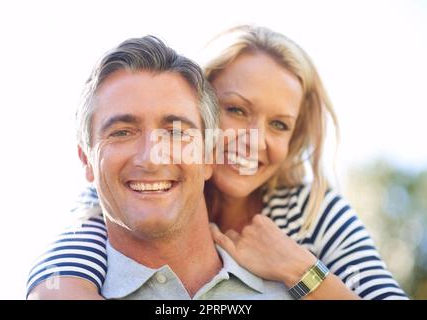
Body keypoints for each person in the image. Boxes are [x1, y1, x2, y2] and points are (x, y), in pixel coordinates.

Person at [27, 25, 407, 300]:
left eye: (278, 125)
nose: (252, 139)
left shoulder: (309, 213)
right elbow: (67, 260)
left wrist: (300, 269)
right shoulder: (130, 194)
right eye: (237, 110)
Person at [28, 35, 294, 300]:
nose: (151, 159)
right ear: (87, 160)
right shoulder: (64, 284)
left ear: (210, 156)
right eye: (122, 133)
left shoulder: (294, 286)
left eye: (176, 132)